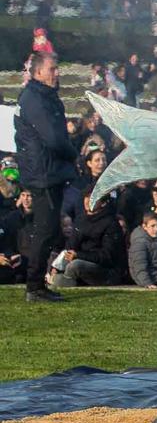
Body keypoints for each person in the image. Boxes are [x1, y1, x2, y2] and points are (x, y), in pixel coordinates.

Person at [14, 52, 75, 302]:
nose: (57, 73)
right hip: (44, 174)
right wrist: (73, 154)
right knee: (46, 229)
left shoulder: (40, 96)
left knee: (48, 229)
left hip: (47, 172)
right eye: (53, 69)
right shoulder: (35, 99)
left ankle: (37, 285)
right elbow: (53, 137)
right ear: (38, 72)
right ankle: (34, 286)